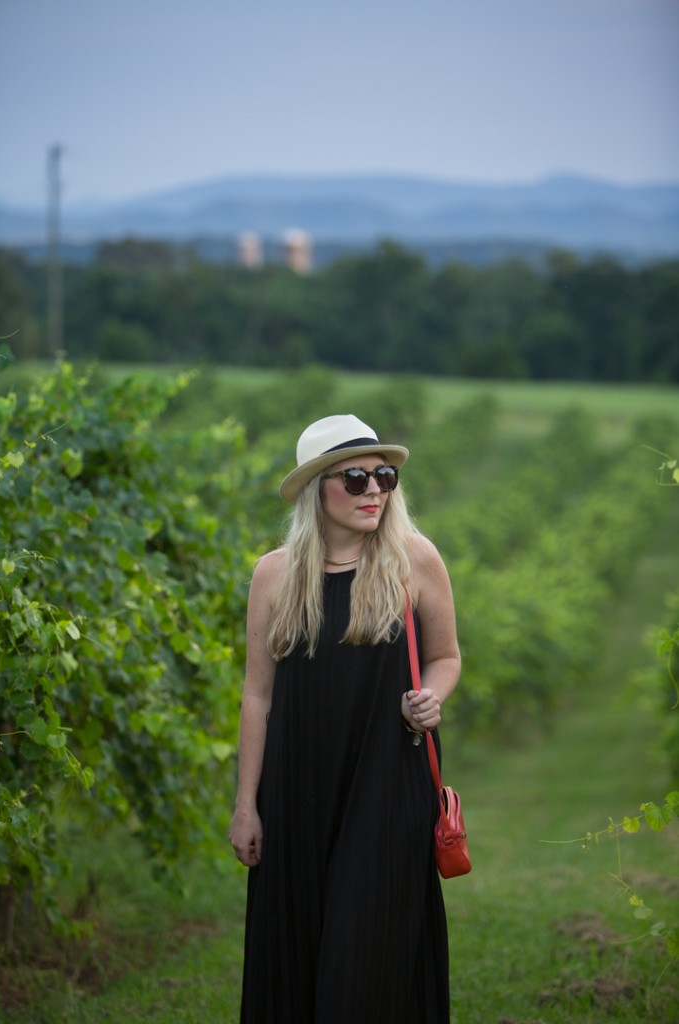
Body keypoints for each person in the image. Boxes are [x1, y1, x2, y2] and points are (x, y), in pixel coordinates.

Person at [229, 413, 461, 1024]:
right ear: (316, 490)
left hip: (387, 786)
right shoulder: (275, 575)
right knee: (297, 953)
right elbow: (258, 695)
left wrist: (433, 697)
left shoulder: (414, 558)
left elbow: (445, 657)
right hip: (297, 790)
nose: (375, 492)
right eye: (354, 479)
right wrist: (246, 804)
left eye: (383, 477)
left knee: (365, 960)